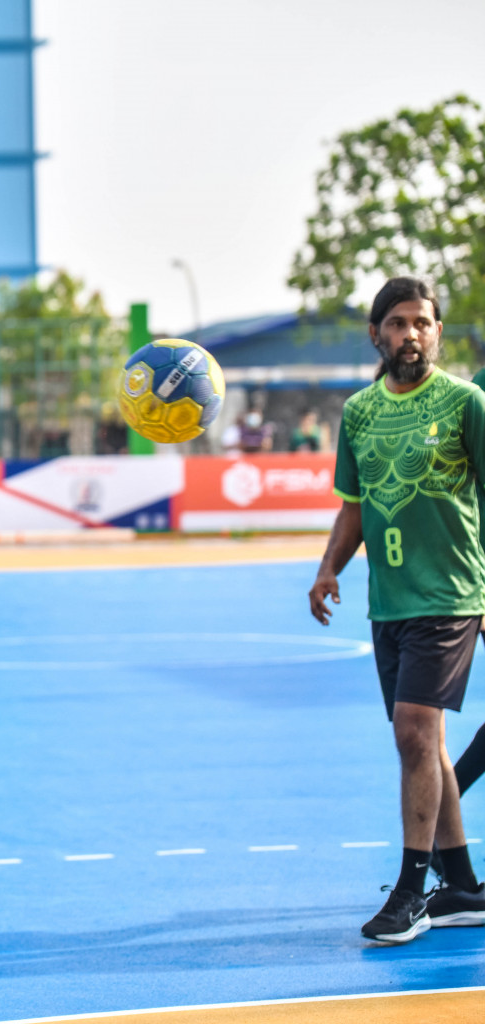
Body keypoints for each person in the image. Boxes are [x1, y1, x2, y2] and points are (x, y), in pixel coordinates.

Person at [308, 276, 485, 943]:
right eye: (398, 322)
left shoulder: (467, 403)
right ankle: (464, 889)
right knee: (427, 745)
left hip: (453, 594)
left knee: (412, 735)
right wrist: (329, 568)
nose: (411, 333)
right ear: (376, 333)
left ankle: (411, 891)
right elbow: (353, 506)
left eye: (424, 322)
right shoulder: (357, 413)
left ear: (439, 331)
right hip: (390, 602)